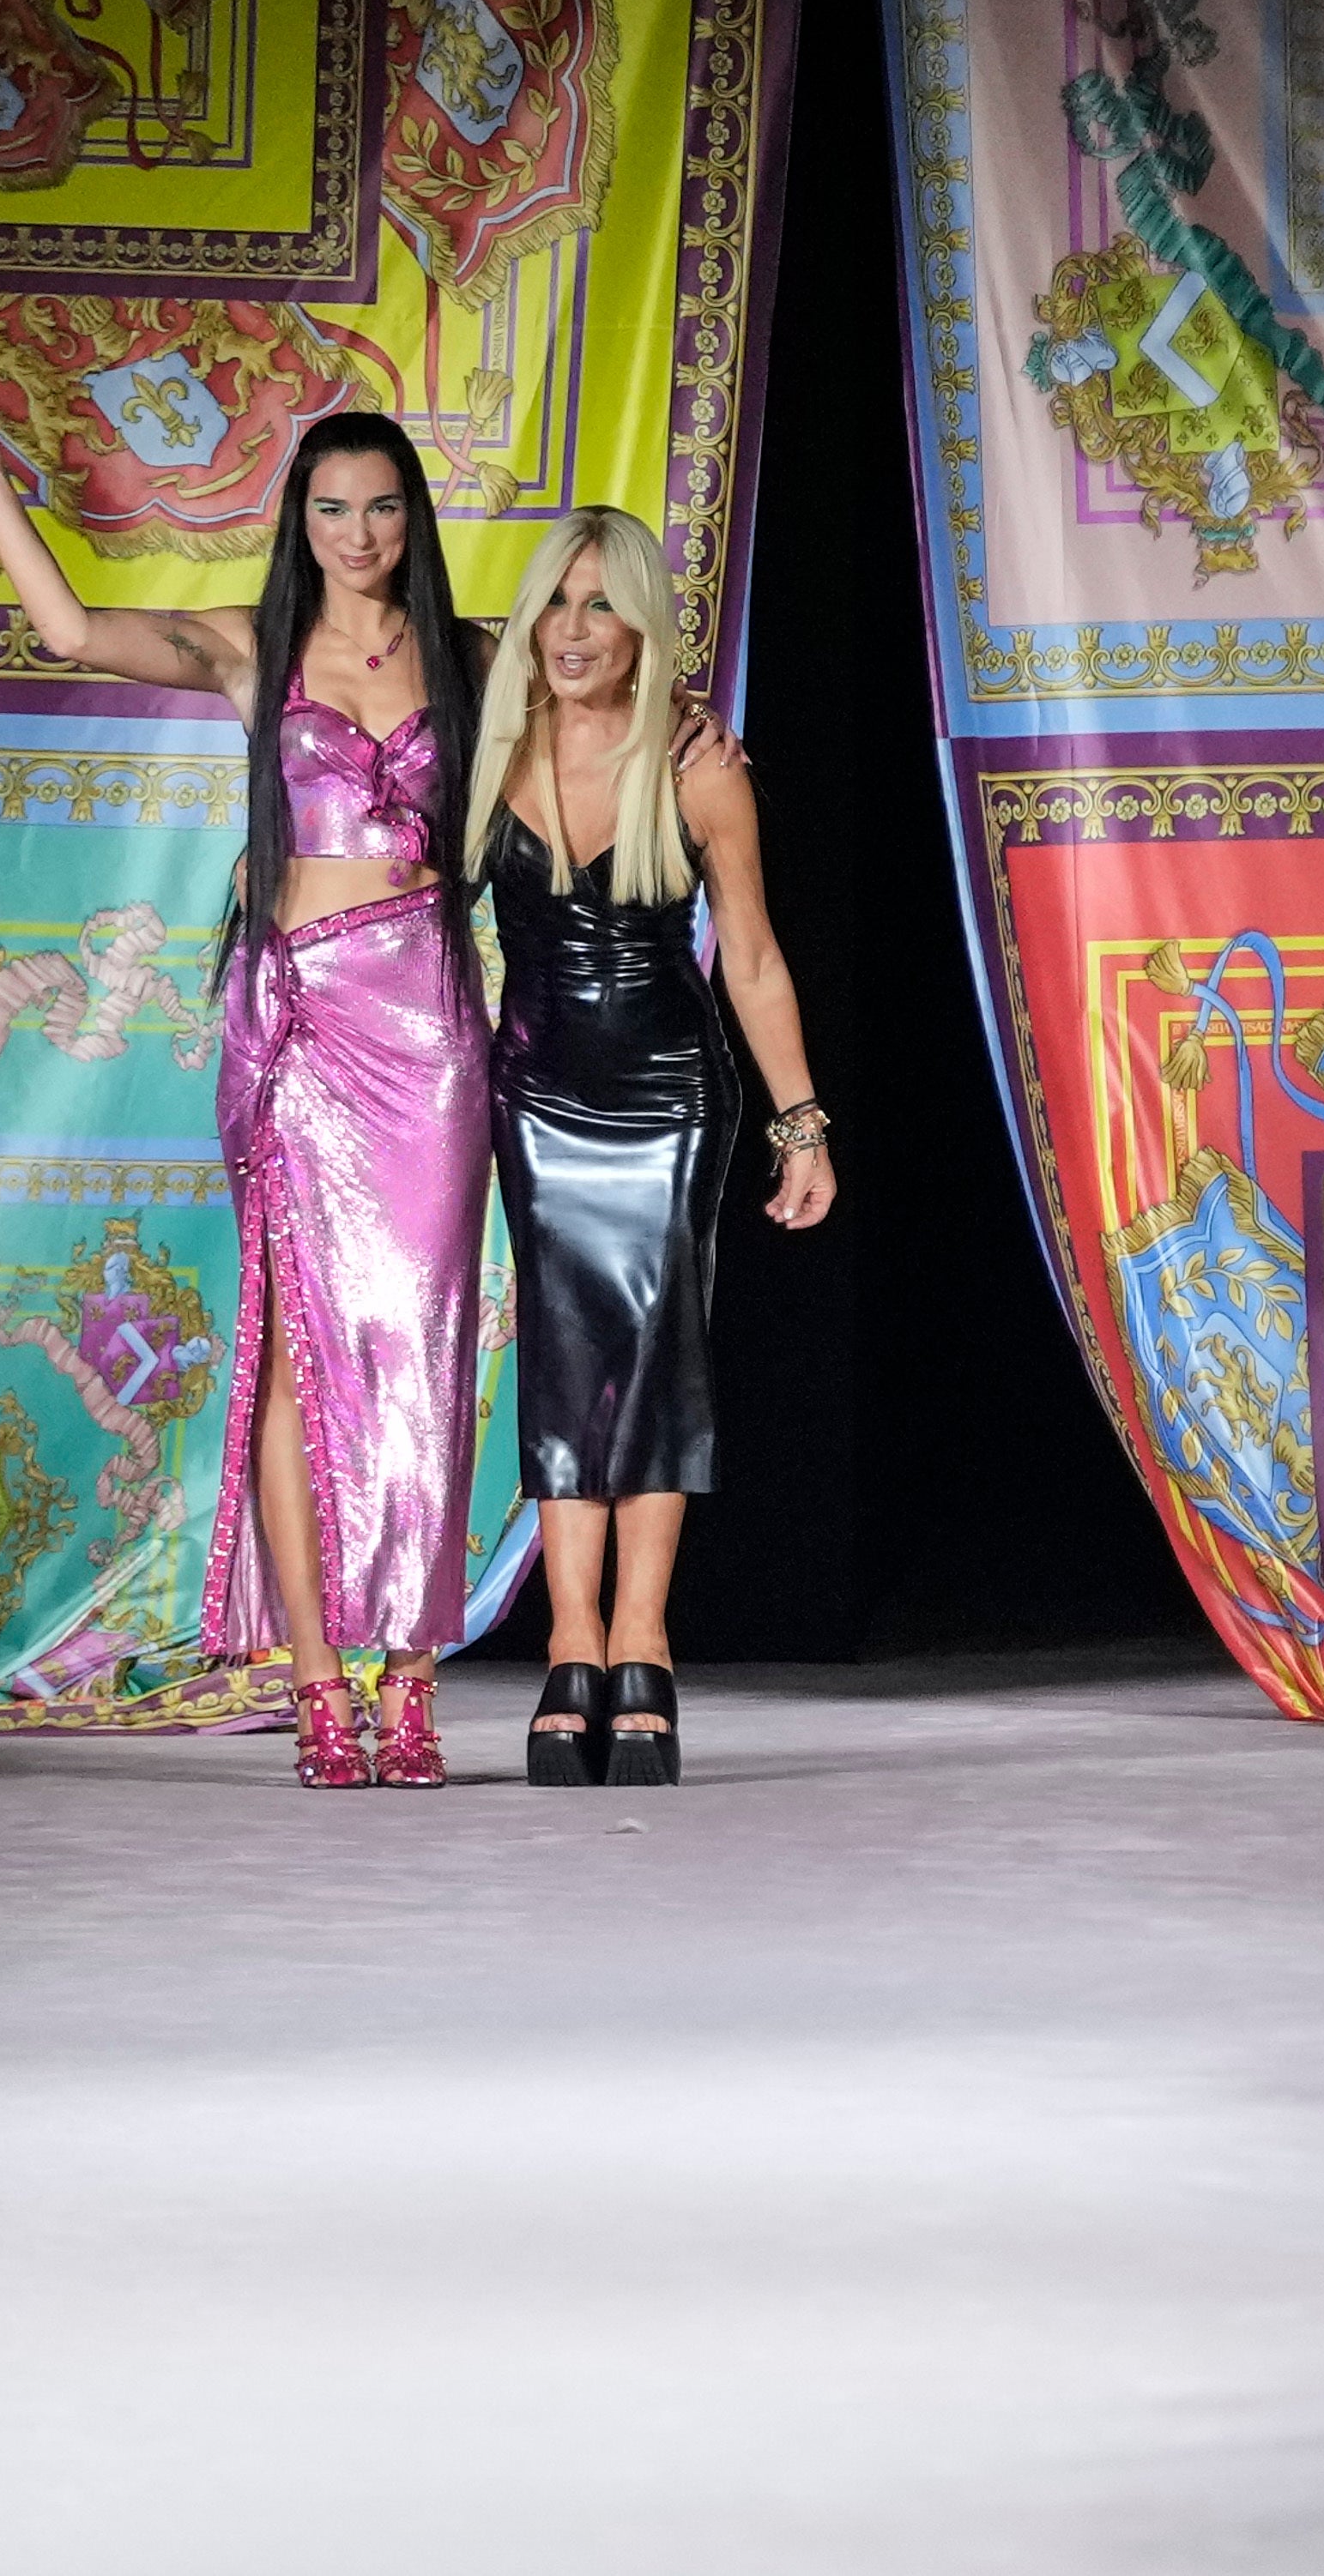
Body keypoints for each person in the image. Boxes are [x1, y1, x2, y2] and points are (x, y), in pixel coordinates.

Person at [0, 377, 492, 1789]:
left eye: (382, 505)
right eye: (332, 508)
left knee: (423, 1350)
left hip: (432, 1029)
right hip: (303, 1020)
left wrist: (702, 747)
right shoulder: (251, 649)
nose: (359, 531)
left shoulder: (473, 652)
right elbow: (70, 628)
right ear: (300, 520)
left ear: (413, 515)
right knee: (293, 1352)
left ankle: (410, 1678)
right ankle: (321, 1686)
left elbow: (609, 718)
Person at [464, 506, 829, 1789]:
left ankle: (643, 1646)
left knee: (659, 1359)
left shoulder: (693, 763)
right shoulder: (486, 735)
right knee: (565, 1363)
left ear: (642, 629)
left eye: (600, 605)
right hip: (537, 1094)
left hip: (673, 1096)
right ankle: (570, 1651)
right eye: (555, 603)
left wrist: (802, 1124)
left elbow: (759, 955)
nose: (572, 630)